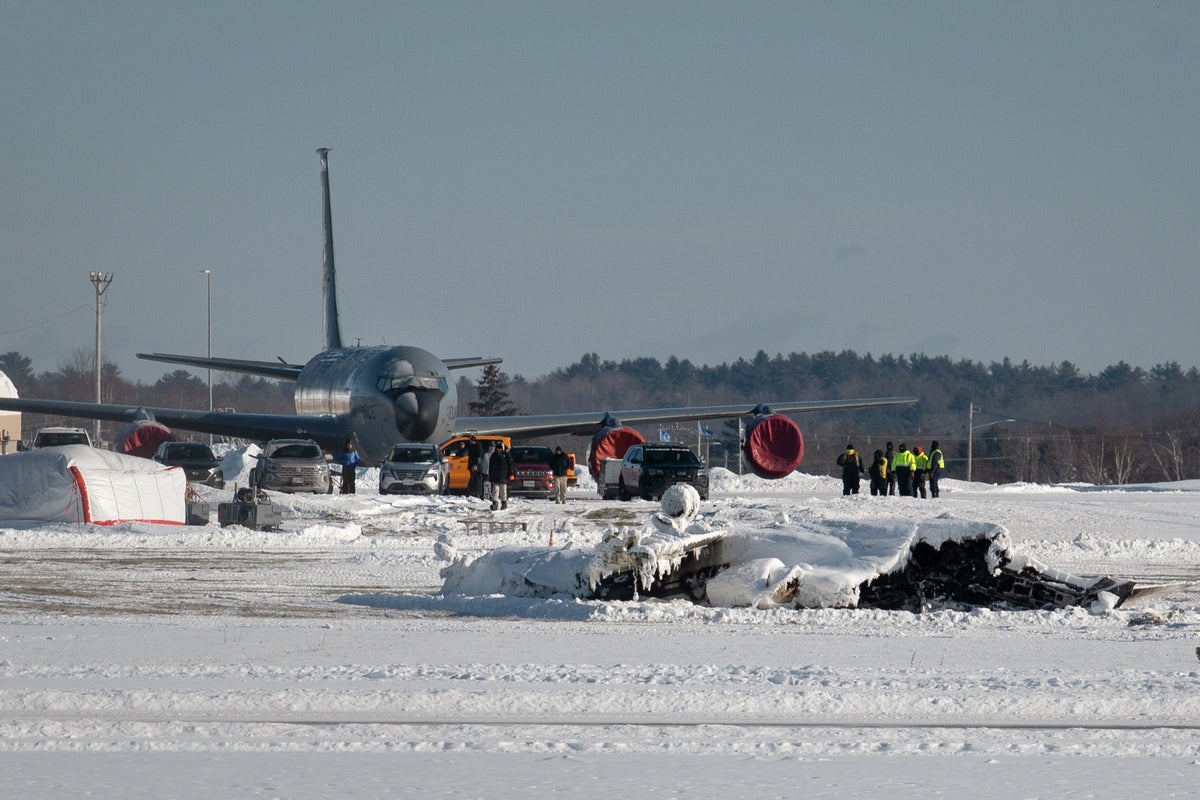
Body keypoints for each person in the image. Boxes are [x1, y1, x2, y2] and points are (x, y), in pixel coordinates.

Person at [488, 440, 514, 511]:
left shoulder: (506, 455)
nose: (499, 450)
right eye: (498, 449)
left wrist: (511, 474)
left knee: (503, 491)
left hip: (504, 476)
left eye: (500, 449)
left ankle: (504, 503)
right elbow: (490, 466)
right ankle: (495, 504)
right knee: (495, 491)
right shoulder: (493, 455)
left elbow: (510, 465)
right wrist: (490, 475)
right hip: (495, 476)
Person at [465, 434, 483, 499]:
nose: (470, 442)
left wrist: (476, 465)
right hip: (471, 465)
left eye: (471, 441)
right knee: (473, 479)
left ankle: (478, 493)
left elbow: (480, 456)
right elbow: (465, 446)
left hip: (476, 466)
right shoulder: (471, 447)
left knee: (477, 480)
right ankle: (474, 492)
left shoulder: (478, 446)